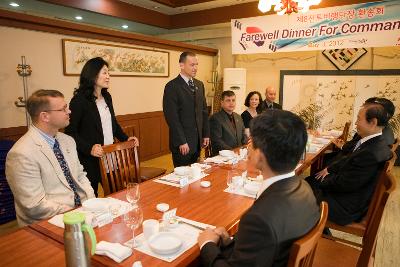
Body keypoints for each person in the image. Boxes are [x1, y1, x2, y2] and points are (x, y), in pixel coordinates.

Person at [198, 110, 320, 267]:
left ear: (260, 156)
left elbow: (264, 233)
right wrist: (231, 241)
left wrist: (207, 244)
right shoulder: (304, 187)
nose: (248, 147)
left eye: (251, 143)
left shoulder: (260, 220)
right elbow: (263, 245)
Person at [6, 90, 95, 226]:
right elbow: (34, 206)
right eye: (63, 108)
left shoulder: (68, 141)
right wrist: (75, 213)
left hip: (82, 213)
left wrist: (90, 202)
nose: (69, 111)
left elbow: (81, 176)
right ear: (45, 116)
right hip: (47, 223)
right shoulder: (21, 153)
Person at [306, 102, 392, 225]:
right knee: (309, 182)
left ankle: (307, 236)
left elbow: (344, 184)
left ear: (373, 122)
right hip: (351, 195)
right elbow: (349, 160)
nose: (356, 123)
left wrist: (323, 182)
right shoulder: (375, 143)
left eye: (358, 119)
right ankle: (320, 233)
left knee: (299, 195)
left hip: (345, 206)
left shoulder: (370, 153)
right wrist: (329, 170)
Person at [64, 57, 139, 196]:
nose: (108, 76)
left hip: (109, 156)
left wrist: (127, 138)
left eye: (108, 73)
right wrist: (89, 148)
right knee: (92, 198)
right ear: (92, 74)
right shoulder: (79, 100)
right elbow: (70, 132)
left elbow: (113, 124)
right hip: (89, 160)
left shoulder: (107, 97)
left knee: (116, 195)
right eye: (104, 73)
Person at [163, 51, 210, 167]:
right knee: (183, 178)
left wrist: (206, 134)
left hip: (197, 141)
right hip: (182, 144)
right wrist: (181, 141)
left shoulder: (199, 85)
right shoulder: (172, 87)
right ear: (182, 65)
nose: (195, 68)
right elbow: (172, 118)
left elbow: (203, 111)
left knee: (195, 175)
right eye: (192, 65)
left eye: (196, 64)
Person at [210, 90, 247, 156]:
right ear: (222, 103)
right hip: (223, 156)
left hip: (239, 155)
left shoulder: (238, 117)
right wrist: (233, 151)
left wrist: (245, 147)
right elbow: (217, 141)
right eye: (228, 100)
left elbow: (243, 135)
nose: (231, 103)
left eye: (233, 100)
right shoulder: (215, 118)